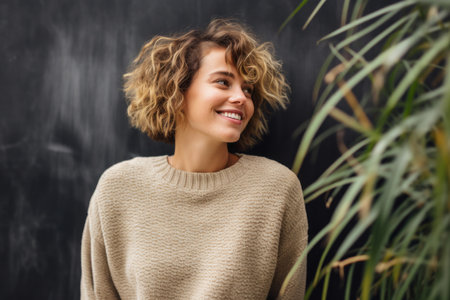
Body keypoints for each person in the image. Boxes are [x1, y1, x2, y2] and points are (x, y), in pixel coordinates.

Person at [80, 19, 308, 300]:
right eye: (223, 82)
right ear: (176, 91)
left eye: (248, 90)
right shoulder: (118, 187)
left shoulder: (276, 187)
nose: (241, 98)